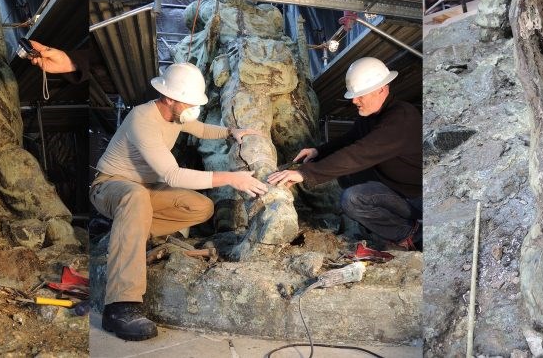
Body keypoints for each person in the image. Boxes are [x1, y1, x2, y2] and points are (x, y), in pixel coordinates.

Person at [81, 62, 265, 341]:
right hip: (111, 186)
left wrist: (232, 132)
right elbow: (172, 174)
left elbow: (201, 129)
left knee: (201, 207)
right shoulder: (142, 119)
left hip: (146, 191)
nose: (193, 107)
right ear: (168, 98)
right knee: (136, 197)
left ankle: (127, 232)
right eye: (188, 101)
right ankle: (120, 307)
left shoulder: (177, 115)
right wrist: (229, 177)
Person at [268, 57, 422, 250]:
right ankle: (408, 232)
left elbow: (358, 153)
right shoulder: (371, 116)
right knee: (351, 198)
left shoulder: (401, 118)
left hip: (420, 196)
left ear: (381, 89)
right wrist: (318, 151)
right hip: (397, 192)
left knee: (351, 174)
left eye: (360, 96)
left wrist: (305, 174)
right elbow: (350, 140)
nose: (355, 101)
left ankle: (418, 234)